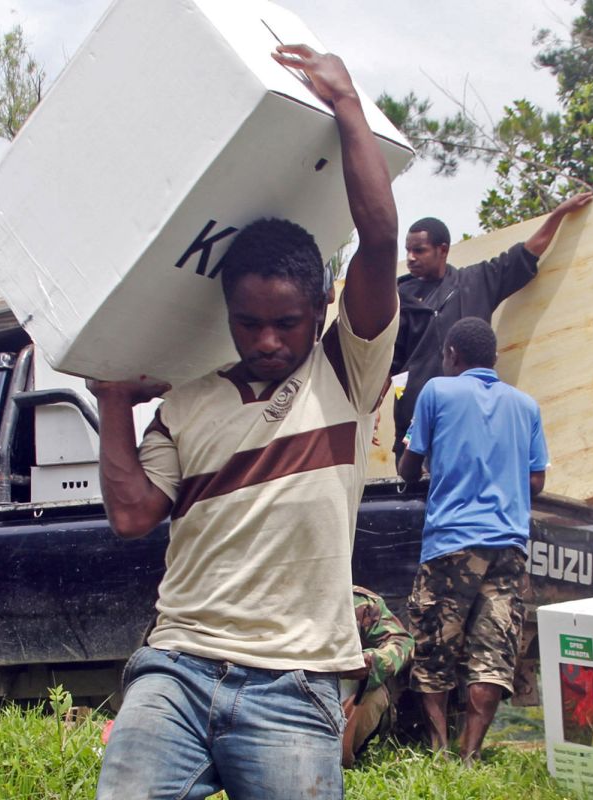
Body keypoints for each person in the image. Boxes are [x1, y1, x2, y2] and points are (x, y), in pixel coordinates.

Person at [88, 44, 399, 799]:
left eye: (286, 323)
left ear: (320, 308)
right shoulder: (188, 399)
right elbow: (133, 515)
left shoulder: (345, 372)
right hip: (178, 667)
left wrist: (347, 106)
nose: (267, 341)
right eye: (248, 322)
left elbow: (380, 241)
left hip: (296, 684)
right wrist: (112, 403)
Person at [398, 317, 549, 764]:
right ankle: (470, 756)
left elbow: (410, 467)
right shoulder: (526, 405)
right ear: (494, 359)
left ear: (451, 355)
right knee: (492, 650)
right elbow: (536, 480)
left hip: (451, 542)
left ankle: (440, 752)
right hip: (508, 546)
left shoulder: (437, 392)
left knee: (435, 649)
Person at [390, 192, 593, 462]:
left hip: (470, 419)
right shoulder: (398, 295)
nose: (411, 257)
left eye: (419, 250)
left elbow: (525, 254)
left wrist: (558, 214)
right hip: (417, 418)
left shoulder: (476, 281)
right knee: (414, 491)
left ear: (443, 249)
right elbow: (391, 362)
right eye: (408, 251)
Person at [342, 586, 416, 767]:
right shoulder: (273, 594)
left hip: (343, 692)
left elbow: (402, 642)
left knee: (373, 694)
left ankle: (340, 760)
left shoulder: (358, 600)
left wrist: (373, 661)